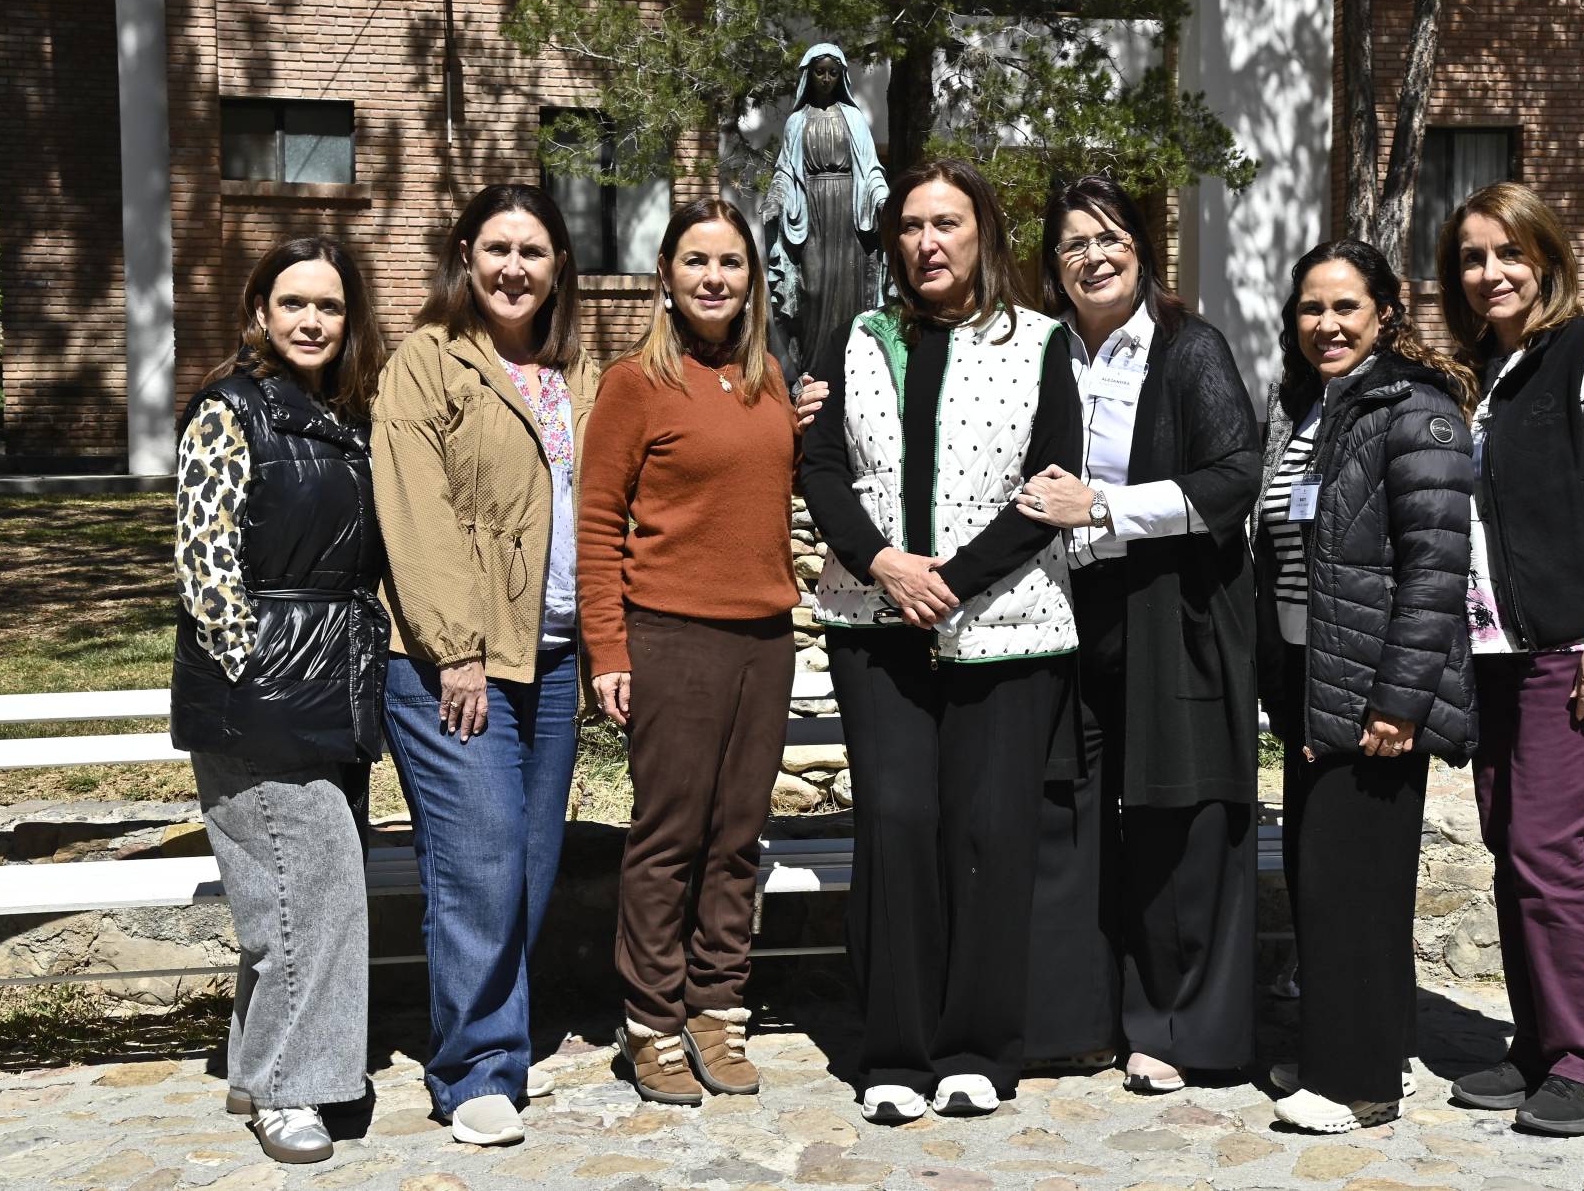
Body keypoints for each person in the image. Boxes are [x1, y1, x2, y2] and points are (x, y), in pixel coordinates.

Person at [800, 157, 1082, 1124]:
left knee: (989, 834)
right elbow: (821, 466)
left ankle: (975, 1049)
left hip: (1006, 630)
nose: (928, 242)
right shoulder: (857, 338)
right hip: (874, 626)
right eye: (912, 226)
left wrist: (949, 580)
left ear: (983, 235)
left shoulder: (1041, 342)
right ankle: (894, 1051)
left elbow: (1051, 484)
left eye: (947, 223)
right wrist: (884, 563)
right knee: (896, 825)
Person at [1434, 182, 1584, 1137]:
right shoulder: (1481, 374)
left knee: (1548, 848)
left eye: (1509, 252)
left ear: (1545, 257)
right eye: (1472, 257)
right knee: (1510, 845)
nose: (1490, 272)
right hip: (1493, 649)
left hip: (1577, 642)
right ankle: (1537, 1045)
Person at [1011, 175, 1262, 1093]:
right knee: (1069, 814)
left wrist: (1105, 507)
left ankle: (1178, 1028)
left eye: (1111, 236)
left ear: (1142, 248)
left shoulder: (1189, 348)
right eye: (1074, 242)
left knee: (1175, 818)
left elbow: (1235, 474)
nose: (1094, 256)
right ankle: (1075, 1019)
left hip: (1173, 608)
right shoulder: (1041, 351)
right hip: (1064, 611)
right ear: (1054, 264)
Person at [577, 199, 829, 1105]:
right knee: (669, 838)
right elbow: (597, 522)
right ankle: (651, 1021)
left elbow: (769, 487)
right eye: (696, 260)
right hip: (671, 637)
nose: (714, 277)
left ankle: (717, 1007)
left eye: (730, 262)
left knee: (737, 836)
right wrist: (608, 648)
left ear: (752, 278)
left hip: (764, 639)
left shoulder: (768, 378)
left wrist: (810, 422)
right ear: (666, 275)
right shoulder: (635, 384)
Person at [371, 184, 599, 1146]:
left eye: (533, 251)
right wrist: (454, 648)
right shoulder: (427, 362)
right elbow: (415, 513)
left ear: (558, 268)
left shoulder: (579, 373)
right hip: (452, 661)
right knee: (481, 859)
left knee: (531, 863)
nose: (514, 268)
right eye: (497, 248)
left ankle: (494, 1033)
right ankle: (475, 1070)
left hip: (553, 659)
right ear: (466, 254)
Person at [171, 235, 389, 1165]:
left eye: (329, 306)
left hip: (334, 682)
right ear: (259, 310)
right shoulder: (229, 411)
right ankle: (289, 1089)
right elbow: (204, 561)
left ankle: (257, 1067)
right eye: (293, 302)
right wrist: (252, 671)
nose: (311, 320)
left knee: (290, 893)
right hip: (260, 693)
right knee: (316, 895)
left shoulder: (345, 416)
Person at [1252, 239, 1477, 1133]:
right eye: (1312, 307)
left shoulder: (1413, 411)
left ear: (1386, 311)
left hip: (1374, 688)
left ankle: (1357, 1085)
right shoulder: (1311, 408)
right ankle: (1362, 1051)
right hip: (1314, 679)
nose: (1327, 324)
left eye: (1346, 306)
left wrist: (1399, 698)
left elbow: (1435, 569)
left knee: (1354, 887)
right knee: (1330, 881)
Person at [764, 43, 890, 380]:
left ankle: (852, 368)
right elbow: (785, 170)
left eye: (833, 72)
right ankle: (813, 371)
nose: (826, 78)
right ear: (809, 75)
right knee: (812, 290)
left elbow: (871, 168)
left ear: (841, 76)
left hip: (850, 214)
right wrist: (775, 198)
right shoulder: (796, 122)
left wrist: (882, 200)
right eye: (820, 72)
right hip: (811, 213)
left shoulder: (853, 118)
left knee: (850, 291)